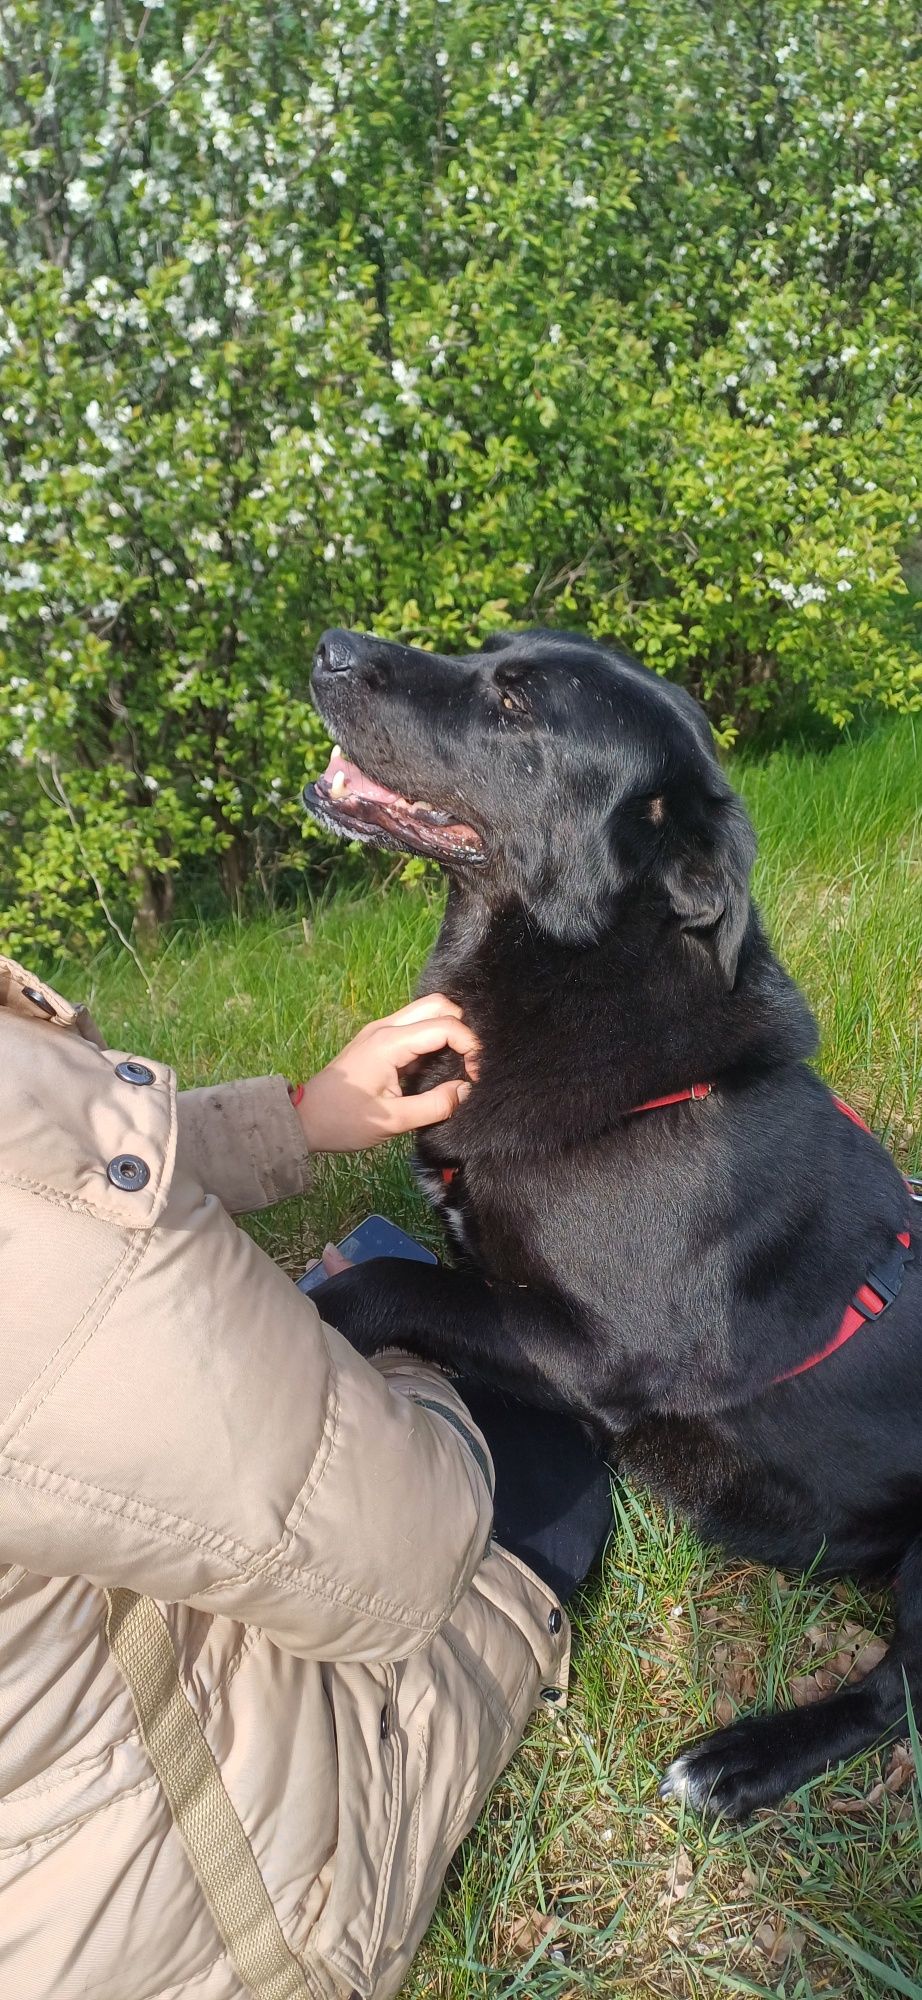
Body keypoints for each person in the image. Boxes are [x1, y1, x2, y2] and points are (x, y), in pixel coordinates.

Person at [0, 953, 611, 2000]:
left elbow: (54, 1165)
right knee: (550, 1394)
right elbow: (410, 1554)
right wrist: (389, 1348)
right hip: (208, 1913)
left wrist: (294, 1117)